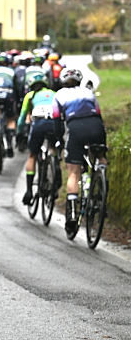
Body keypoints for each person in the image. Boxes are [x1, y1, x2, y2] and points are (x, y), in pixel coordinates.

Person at [51, 68, 107, 237]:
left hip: (75, 128)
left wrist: (59, 140)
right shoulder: (88, 92)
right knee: (100, 156)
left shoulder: (59, 95)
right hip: (96, 127)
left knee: (73, 172)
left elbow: (56, 120)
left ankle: (73, 215)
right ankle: (102, 186)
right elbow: (98, 113)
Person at [16, 66, 59, 206]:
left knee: (32, 155)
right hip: (53, 123)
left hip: (39, 123)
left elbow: (23, 116)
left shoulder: (31, 95)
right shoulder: (53, 93)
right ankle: (55, 172)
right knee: (53, 148)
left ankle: (28, 190)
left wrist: (19, 132)